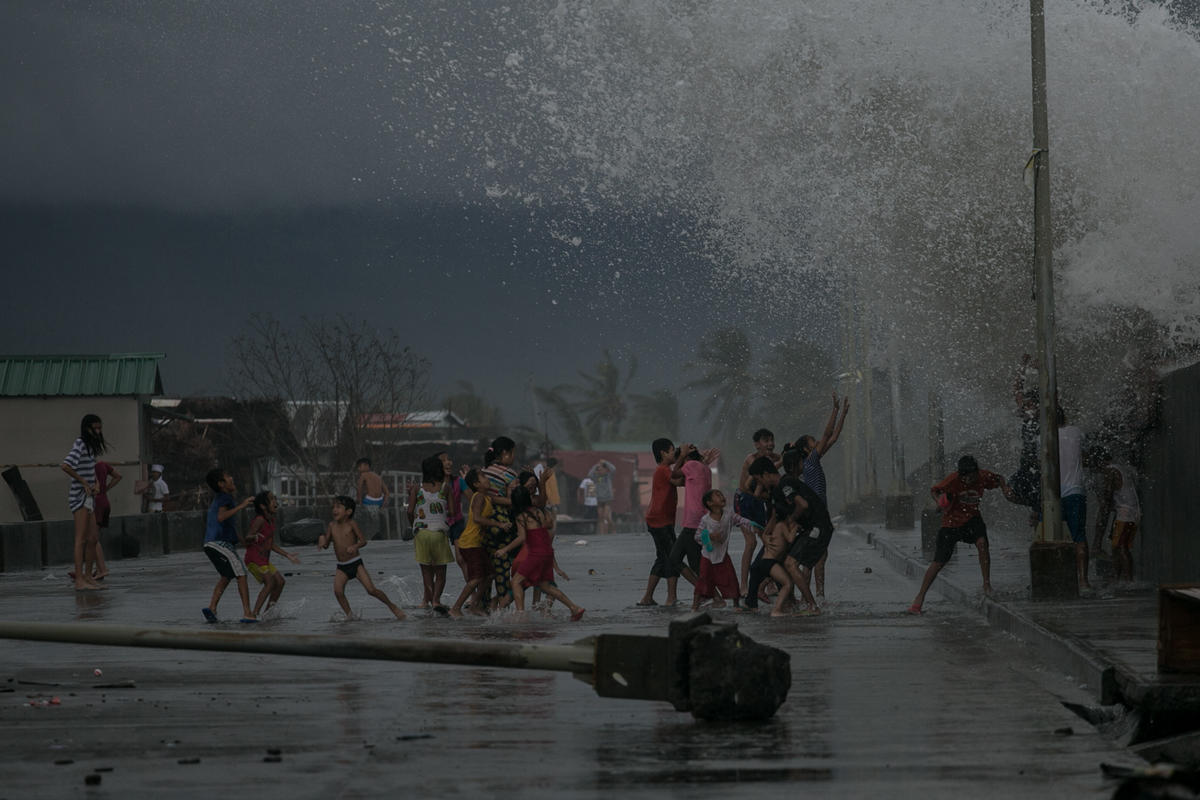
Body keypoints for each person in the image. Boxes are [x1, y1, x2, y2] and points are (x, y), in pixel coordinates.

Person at [908, 455, 1015, 614]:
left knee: (982, 544)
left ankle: (986, 584)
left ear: (976, 473)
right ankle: (919, 598)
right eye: (965, 477)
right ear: (960, 474)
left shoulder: (983, 476)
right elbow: (934, 491)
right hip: (951, 523)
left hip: (972, 519)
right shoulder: (952, 480)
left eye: (971, 476)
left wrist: (1005, 488)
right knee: (938, 562)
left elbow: (999, 479)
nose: (968, 480)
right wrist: (940, 502)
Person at [497, 486, 585, 620]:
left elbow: (522, 538)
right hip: (547, 552)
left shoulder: (521, 517)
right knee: (545, 586)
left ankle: (521, 614)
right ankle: (574, 608)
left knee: (516, 582)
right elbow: (549, 525)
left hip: (535, 554)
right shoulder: (540, 512)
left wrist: (505, 549)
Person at [794, 392, 850, 603]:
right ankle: (811, 597)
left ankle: (814, 596)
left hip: (819, 512)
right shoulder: (810, 462)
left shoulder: (812, 462)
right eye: (813, 441)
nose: (817, 442)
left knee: (818, 556)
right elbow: (828, 434)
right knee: (815, 557)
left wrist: (842, 413)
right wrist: (835, 409)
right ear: (807, 449)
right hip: (817, 514)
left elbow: (833, 437)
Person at [318, 495, 406, 620]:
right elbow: (326, 544)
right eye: (333, 507)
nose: (334, 510)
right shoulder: (332, 526)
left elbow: (363, 541)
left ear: (348, 512)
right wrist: (322, 539)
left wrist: (355, 546)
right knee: (338, 592)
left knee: (371, 590)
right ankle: (350, 615)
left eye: (338, 507)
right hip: (342, 566)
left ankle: (393, 607)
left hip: (356, 563)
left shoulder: (351, 524)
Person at [449, 468, 512, 617]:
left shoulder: (487, 497)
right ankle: (456, 608)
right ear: (477, 484)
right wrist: (499, 524)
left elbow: (509, 501)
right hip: (470, 543)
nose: (487, 479)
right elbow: (477, 518)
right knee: (476, 578)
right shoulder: (478, 497)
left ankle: (474, 605)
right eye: (483, 477)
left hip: (478, 544)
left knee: (489, 575)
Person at [201, 468, 257, 623]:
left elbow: (229, 527)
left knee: (226, 576)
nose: (232, 478)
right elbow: (221, 517)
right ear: (221, 484)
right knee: (241, 574)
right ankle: (247, 613)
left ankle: (212, 608)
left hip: (210, 544)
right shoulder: (225, 498)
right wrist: (242, 505)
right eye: (228, 476)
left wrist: (244, 542)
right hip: (219, 543)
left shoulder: (221, 498)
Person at [637, 438, 687, 607]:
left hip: (659, 520)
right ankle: (671, 598)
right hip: (660, 521)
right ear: (663, 453)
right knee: (674, 557)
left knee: (662, 558)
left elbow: (680, 481)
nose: (675, 454)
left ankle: (647, 598)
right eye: (672, 451)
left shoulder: (664, 470)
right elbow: (677, 479)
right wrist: (684, 459)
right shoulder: (663, 470)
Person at [60, 414, 107, 591]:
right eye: (95, 428)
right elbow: (66, 465)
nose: (98, 431)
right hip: (79, 497)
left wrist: (95, 482)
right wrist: (83, 482)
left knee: (93, 538)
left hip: (90, 498)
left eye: (99, 428)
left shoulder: (91, 447)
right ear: (87, 428)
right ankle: (79, 579)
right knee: (80, 539)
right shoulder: (80, 443)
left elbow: (90, 469)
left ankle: (88, 576)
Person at [407, 455, 454, 611]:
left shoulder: (416, 488)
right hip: (439, 533)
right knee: (441, 572)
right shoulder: (445, 488)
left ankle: (426, 602)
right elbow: (452, 512)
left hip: (421, 532)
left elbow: (409, 510)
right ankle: (436, 601)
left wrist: (413, 525)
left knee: (426, 572)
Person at [735, 428, 780, 590]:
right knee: (751, 542)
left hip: (760, 500)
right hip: (744, 501)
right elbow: (761, 471)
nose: (770, 444)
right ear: (756, 445)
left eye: (771, 440)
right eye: (766, 441)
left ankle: (769, 582)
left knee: (768, 541)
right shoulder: (751, 459)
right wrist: (781, 460)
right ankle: (744, 585)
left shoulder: (774, 458)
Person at [671, 444, 720, 588]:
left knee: (680, 560)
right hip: (702, 519)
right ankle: (707, 593)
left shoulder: (691, 465)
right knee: (695, 561)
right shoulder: (705, 468)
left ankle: (713, 595)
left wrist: (681, 456)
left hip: (692, 521)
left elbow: (674, 474)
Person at [244, 490, 300, 617]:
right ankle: (254, 614)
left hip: (264, 560)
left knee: (280, 582)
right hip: (253, 559)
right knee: (270, 583)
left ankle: (268, 612)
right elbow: (247, 537)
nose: (276, 501)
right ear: (263, 506)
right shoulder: (260, 520)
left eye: (275, 498)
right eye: (272, 499)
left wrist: (287, 555)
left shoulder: (271, 521)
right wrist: (254, 537)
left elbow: (271, 545)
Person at [481, 436, 520, 608]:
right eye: (512, 453)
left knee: (487, 568)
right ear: (504, 453)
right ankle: (501, 605)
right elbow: (513, 501)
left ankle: (483, 604)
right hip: (502, 522)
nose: (513, 457)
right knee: (502, 566)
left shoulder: (484, 472)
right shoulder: (510, 474)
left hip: (484, 522)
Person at [692, 489, 747, 610]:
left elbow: (741, 520)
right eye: (717, 495)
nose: (722, 496)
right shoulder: (705, 520)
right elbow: (697, 537)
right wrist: (709, 536)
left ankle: (736, 605)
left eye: (721, 494)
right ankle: (695, 606)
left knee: (731, 578)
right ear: (710, 503)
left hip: (722, 555)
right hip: (707, 557)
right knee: (703, 580)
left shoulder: (729, 515)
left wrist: (753, 525)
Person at [1094, 449, 1141, 583]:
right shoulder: (1120, 468)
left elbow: (1108, 494)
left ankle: (1128, 580)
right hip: (1130, 512)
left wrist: (1102, 505)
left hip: (1125, 513)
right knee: (1118, 546)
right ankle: (1117, 577)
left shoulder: (1110, 471)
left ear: (1100, 462)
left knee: (1120, 547)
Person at [1056, 407, 1091, 590]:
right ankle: (1083, 581)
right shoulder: (1077, 432)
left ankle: (1059, 580)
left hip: (1053, 496)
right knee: (1079, 537)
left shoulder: (1042, 438)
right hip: (1076, 491)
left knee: (1053, 538)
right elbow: (1084, 454)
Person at [743, 514, 796, 617]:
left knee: (778, 579)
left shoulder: (775, 526)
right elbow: (790, 539)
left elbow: (765, 533)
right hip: (770, 562)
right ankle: (777, 610)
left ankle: (754, 604)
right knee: (787, 583)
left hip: (766, 561)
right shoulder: (781, 525)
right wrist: (795, 528)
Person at [85, 459, 121, 581]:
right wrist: (106, 488)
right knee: (94, 536)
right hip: (105, 501)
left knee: (92, 537)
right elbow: (118, 476)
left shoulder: (88, 468)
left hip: (96, 503)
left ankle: (101, 569)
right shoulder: (103, 465)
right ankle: (99, 568)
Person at [355, 457, 389, 541]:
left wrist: (360, 503)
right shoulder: (378, 476)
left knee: (358, 514)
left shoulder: (363, 475)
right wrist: (384, 503)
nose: (358, 468)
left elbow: (359, 490)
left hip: (369, 500)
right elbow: (387, 492)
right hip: (380, 501)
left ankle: (361, 536)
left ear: (367, 466)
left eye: (360, 466)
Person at [589, 459, 617, 535]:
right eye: (599, 469)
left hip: (608, 498)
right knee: (600, 517)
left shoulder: (608, 476)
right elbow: (590, 474)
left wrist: (605, 462)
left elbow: (613, 469)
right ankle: (602, 534)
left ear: (605, 469)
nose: (600, 471)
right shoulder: (596, 477)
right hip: (599, 498)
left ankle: (613, 530)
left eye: (602, 469)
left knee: (606, 516)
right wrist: (596, 466)